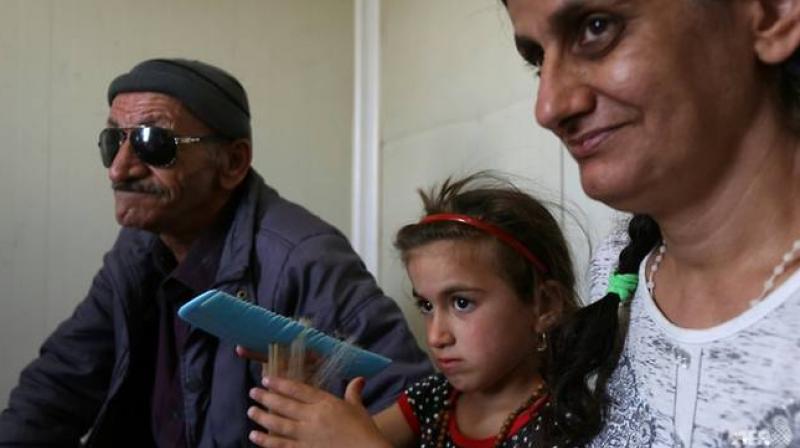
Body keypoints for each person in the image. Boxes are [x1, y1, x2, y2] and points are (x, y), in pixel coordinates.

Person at [0, 58, 432, 447]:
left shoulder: (302, 260)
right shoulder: (139, 246)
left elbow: (414, 408)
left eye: (153, 142)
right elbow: (61, 382)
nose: (119, 168)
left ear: (232, 163)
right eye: (113, 140)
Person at [502, 0, 800, 446]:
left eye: (596, 28)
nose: (548, 107)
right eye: (538, 60)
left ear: (772, 13)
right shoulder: (617, 272)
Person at [244, 173, 608, 448]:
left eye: (462, 303)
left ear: (544, 306)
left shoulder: (563, 421)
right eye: (426, 306)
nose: (436, 335)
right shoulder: (433, 398)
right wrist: (304, 393)